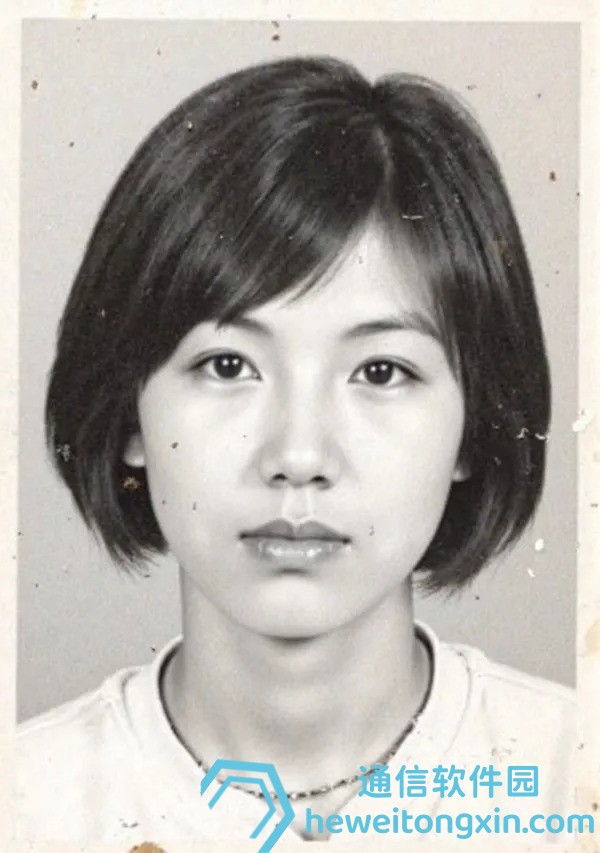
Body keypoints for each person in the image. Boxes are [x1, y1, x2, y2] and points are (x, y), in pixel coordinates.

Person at [17, 56, 576, 846]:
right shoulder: (26, 806)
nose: (299, 454)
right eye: (227, 365)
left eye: (381, 371)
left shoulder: (569, 781)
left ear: (474, 424)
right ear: (130, 409)